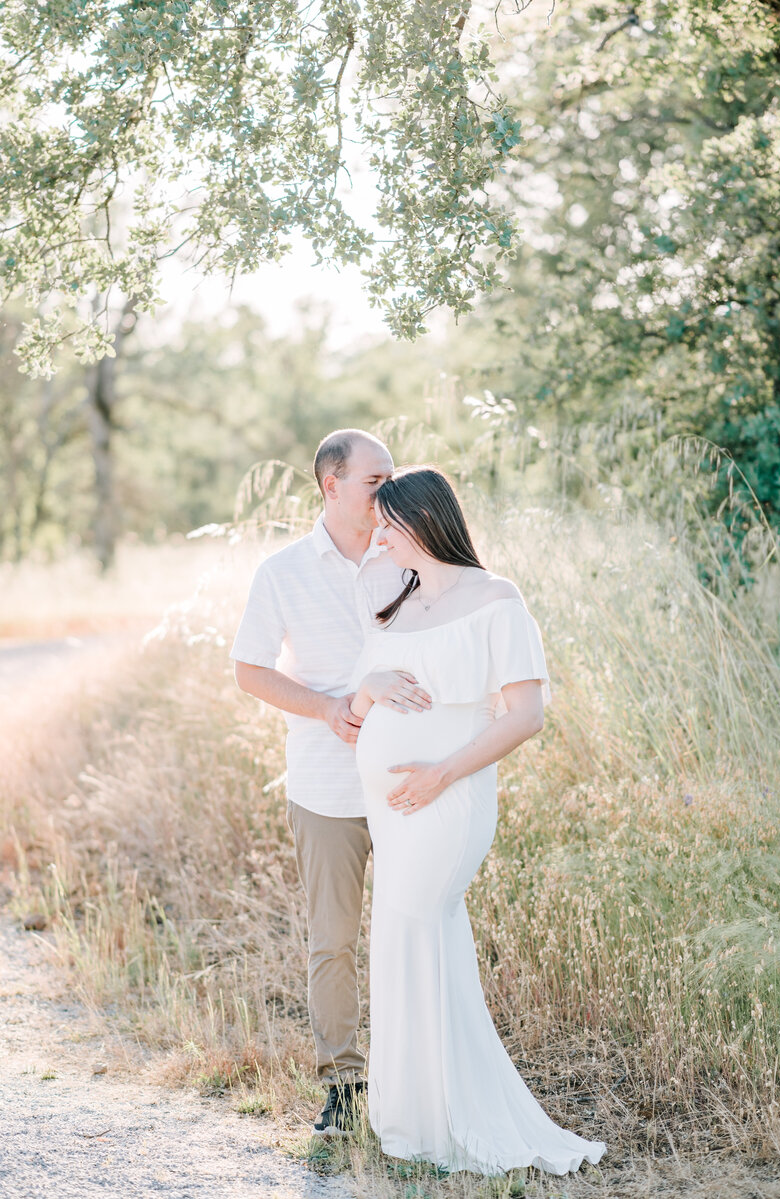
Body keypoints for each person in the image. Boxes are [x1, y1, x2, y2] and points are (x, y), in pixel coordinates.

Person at [349, 466, 606, 1176]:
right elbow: (362, 702)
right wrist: (367, 690)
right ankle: (413, 1117)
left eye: (389, 524)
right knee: (402, 937)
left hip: (449, 800)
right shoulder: (395, 602)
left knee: (418, 927)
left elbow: (526, 714)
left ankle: (451, 1119)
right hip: (394, 808)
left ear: (425, 520)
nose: (378, 536)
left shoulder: (496, 597)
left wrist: (439, 772)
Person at [230, 430, 432, 1134]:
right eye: (377, 480)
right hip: (327, 787)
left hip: (413, 779)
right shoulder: (282, 571)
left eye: (393, 475)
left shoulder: (410, 557)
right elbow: (249, 668)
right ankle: (344, 1088)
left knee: (417, 928)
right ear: (332, 485)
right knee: (334, 940)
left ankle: (418, 1080)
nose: (391, 489)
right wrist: (326, 706)